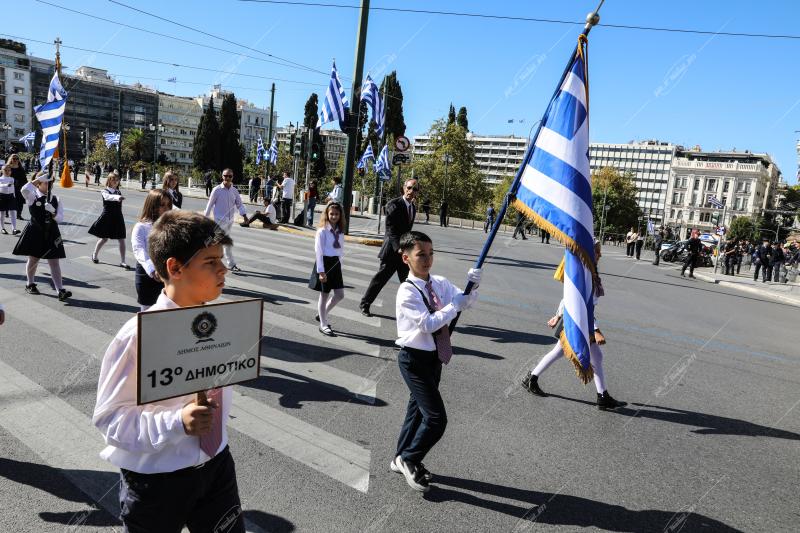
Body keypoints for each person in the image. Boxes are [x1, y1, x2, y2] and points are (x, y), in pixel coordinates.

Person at [93, 210, 245, 533]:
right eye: (211, 262)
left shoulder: (220, 325)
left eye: (222, 259)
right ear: (175, 268)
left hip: (216, 466)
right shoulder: (137, 337)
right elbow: (110, 419)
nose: (223, 269)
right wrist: (176, 422)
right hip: (156, 481)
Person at [390, 231, 481, 492]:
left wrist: (472, 286)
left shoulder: (439, 282)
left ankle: (400, 457)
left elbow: (464, 302)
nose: (427, 259)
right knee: (436, 418)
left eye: (431, 254)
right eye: (421, 255)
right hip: (414, 360)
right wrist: (454, 306)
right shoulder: (406, 292)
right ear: (406, 258)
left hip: (434, 358)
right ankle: (410, 458)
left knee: (416, 411)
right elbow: (429, 323)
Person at [522, 241, 625, 411]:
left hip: (580, 321)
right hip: (578, 322)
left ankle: (602, 395)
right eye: (597, 252)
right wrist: (596, 331)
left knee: (585, 355)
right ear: (589, 253)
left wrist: (558, 315)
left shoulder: (588, 272)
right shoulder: (585, 274)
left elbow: (572, 300)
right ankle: (602, 396)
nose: (600, 255)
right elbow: (580, 303)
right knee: (574, 354)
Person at [360, 179, 418, 317]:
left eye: (414, 189)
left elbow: (407, 230)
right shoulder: (394, 204)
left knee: (408, 283)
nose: (411, 191)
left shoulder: (413, 208)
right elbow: (390, 229)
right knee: (380, 280)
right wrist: (398, 247)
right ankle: (365, 304)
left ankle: (412, 311)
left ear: (417, 192)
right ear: (404, 188)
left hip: (404, 252)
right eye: (409, 188)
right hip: (392, 251)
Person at [12, 171, 71, 301]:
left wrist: (53, 212)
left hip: (52, 232)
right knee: (34, 260)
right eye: (46, 181)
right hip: (36, 231)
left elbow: (60, 219)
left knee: (54, 262)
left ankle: (60, 290)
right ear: (39, 183)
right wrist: (37, 179)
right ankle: (30, 283)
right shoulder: (32, 196)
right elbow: (24, 190)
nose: (48, 184)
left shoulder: (56, 199)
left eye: (50, 181)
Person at [309, 203, 346, 337]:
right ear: (327, 214)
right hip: (325, 263)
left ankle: (322, 314)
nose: (334, 216)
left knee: (340, 295)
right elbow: (318, 252)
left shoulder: (340, 231)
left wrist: (340, 265)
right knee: (324, 295)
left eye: (336, 214)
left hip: (335, 263)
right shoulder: (322, 231)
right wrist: (321, 271)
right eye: (331, 214)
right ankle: (323, 324)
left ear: (340, 215)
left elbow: (341, 249)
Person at [132, 190, 172, 311]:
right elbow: (139, 250)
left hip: (167, 274)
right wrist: (152, 270)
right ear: (153, 206)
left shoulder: (171, 225)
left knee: (168, 312)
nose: (167, 208)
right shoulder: (141, 227)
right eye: (162, 205)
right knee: (148, 315)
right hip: (147, 275)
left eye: (169, 205)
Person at [204, 169, 247, 272]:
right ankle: (203, 260)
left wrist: (244, 215)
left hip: (229, 221)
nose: (227, 178)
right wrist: (204, 219)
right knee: (212, 243)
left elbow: (239, 204)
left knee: (225, 244)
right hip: (219, 222)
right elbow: (209, 205)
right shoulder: (217, 190)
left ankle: (231, 265)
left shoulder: (234, 191)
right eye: (225, 176)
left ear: (232, 177)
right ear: (222, 176)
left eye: (230, 176)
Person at [88, 172, 130, 269]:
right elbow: (108, 197)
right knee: (104, 238)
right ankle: (94, 254)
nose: (115, 181)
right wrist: (117, 197)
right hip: (107, 217)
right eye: (113, 179)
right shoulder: (105, 191)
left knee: (121, 239)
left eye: (117, 180)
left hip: (118, 217)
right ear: (109, 181)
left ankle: (123, 261)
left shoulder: (118, 191)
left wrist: (118, 197)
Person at [0, 165, 20, 235]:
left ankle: (14, 229)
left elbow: (13, 188)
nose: (8, 172)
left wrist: (14, 196)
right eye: (5, 170)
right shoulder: (0, 179)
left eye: (9, 170)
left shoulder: (12, 179)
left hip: (11, 196)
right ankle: (2, 228)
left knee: (13, 212)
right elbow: (0, 185)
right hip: (2, 196)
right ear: (2, 171)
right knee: (2, 213)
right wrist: (6, 185)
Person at [8, 153, 27, 220]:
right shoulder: (8, 167)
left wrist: (25, 185)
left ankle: (19, 215)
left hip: (19, 187)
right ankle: (7, 212)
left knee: (20, 201)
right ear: (11, 159)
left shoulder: (21, 168)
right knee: (9, 200)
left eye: (17, 159)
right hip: (10, 187)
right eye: (14, 158)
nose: (15, 160)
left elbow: (24, 178)